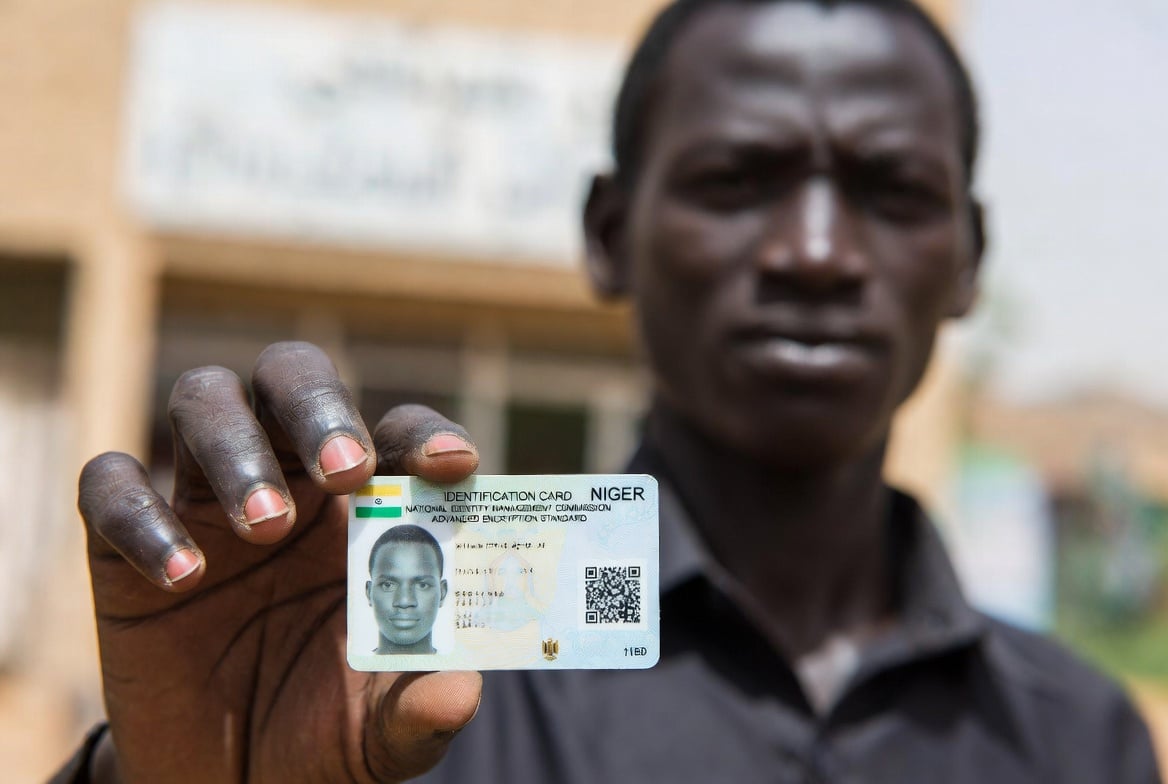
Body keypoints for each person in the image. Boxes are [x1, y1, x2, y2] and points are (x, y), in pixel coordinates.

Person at [54, 0, 1163, 781]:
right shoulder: (400, 659)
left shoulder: (1084, 741)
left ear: (967, 256)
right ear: (607, 232)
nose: (817, 250)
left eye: (889, 189)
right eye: (736, 179)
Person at [366, 525, 448, 655]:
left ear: (443, 593)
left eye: (422, 585)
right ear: (368, 593)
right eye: (388, 585)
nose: (404, 601)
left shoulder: (458, 670)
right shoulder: (352, 670)